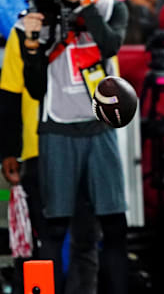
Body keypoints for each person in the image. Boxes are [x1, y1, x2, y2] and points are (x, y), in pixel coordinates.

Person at [16, 0, 128, 294]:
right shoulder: (36, 15)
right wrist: (32, 45)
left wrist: (84, 2)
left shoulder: (111, 7)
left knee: (114, 226)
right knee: (52, 229)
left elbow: (110, 45)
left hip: (101, 129)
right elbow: (34, 88)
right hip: (57, 131)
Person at [0, 26, 100, 294]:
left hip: (86, 144)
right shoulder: (24, 31)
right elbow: (10, 91)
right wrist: (10, 150)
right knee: (45, 241)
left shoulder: (93, 23)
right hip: (40, 149)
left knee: (84, 238)